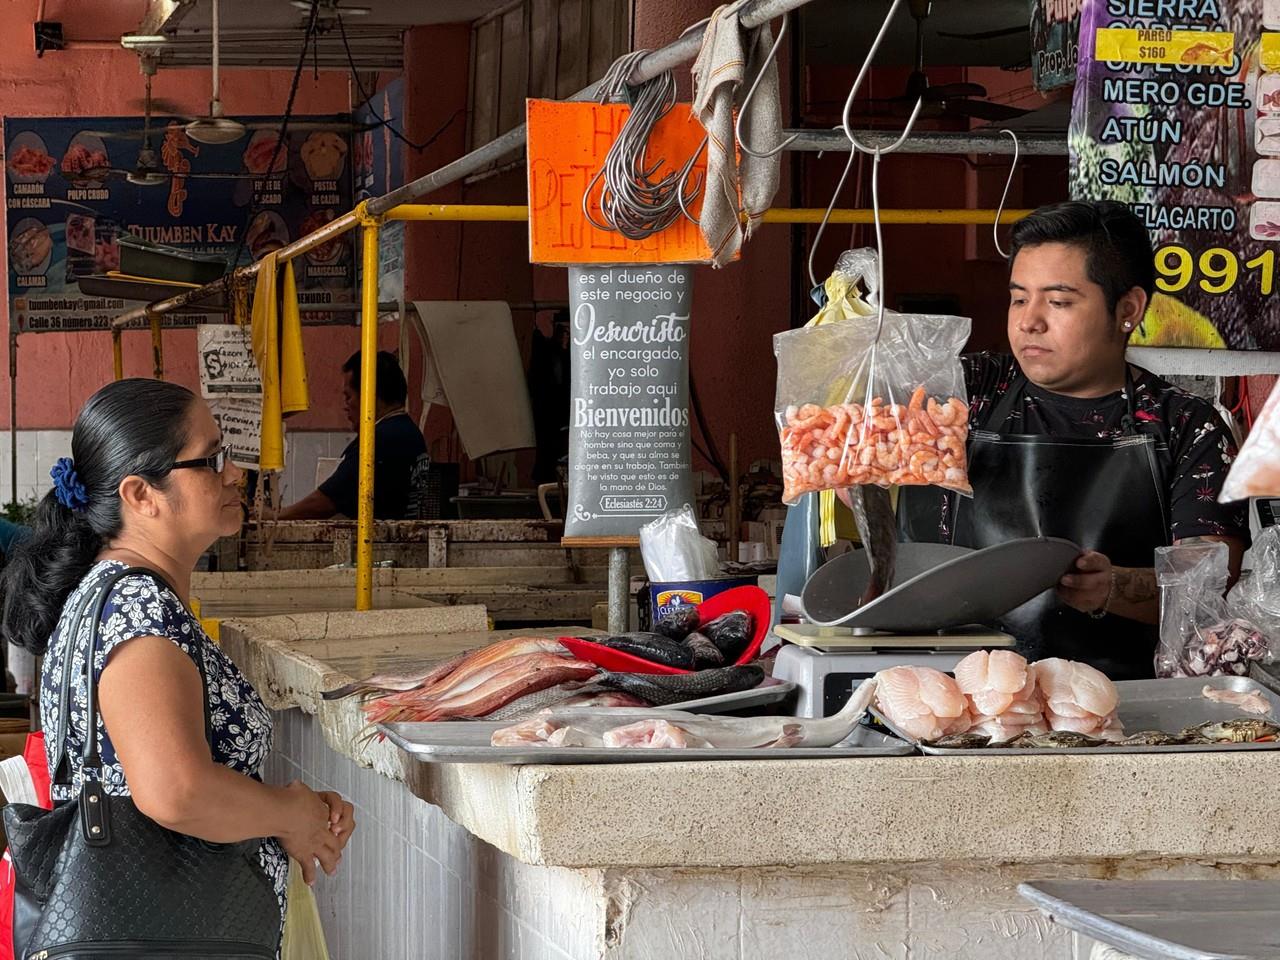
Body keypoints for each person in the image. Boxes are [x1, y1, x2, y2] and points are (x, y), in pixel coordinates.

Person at [0, 379, 356, 951]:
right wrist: (288, 814)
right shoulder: (136, 607)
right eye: (212, 458)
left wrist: (289, 813)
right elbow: (176, 791)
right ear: (142, 494)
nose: (235, 472)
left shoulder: (111, 596)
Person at [900, 200, 1250, 680]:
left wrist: (1113, 585)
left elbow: (1210, 585)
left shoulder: (1186, 425)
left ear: (1127, 309)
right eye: (1019, 298)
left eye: (1058, 301)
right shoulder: (964, 392)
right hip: (940, 694)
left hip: (1118, 709)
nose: (1029, 321)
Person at [280, 349, 430, 520]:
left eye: (348, 397)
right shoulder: (409, 432)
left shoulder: (381, 439)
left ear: (369, 396)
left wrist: (278, 515)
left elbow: (326, 502)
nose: (346, 406)